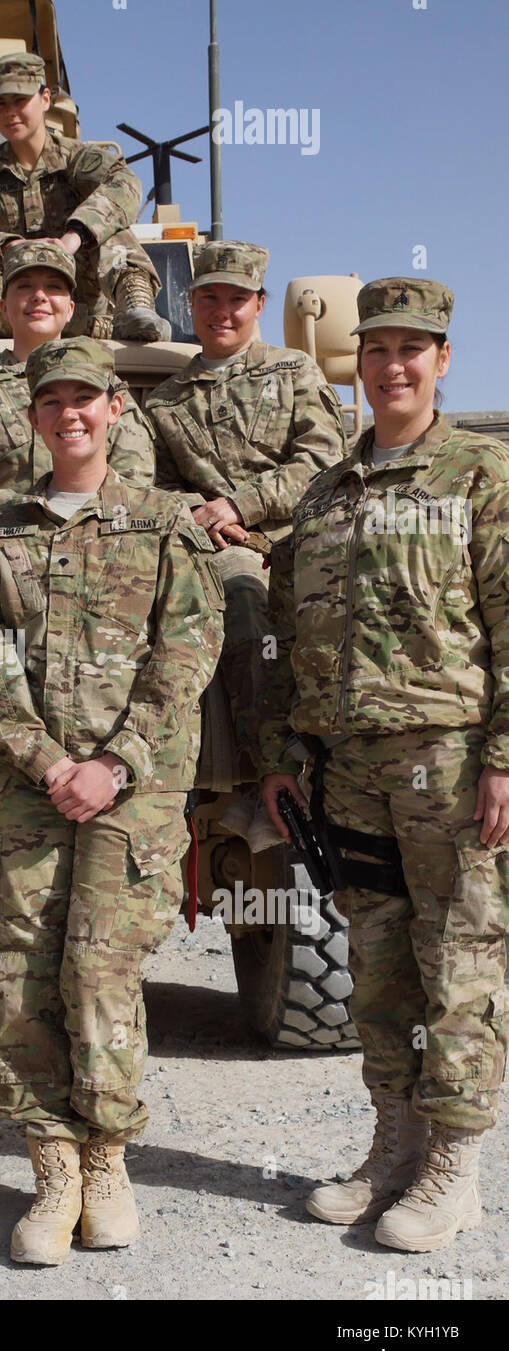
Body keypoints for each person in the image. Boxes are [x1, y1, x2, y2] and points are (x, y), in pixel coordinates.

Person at [0, 338, 223, 1264]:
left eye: (85, 399)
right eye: (50, 401)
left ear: (115, 409)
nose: (68, 414)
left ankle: (106, 1159)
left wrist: (114, 762)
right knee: (22, 975)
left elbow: (186, 654)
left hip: (130, 790)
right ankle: (49, 1167)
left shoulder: (163, 522)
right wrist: (42, 760)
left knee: (102, 973)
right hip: (30, 792)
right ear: (31, 416)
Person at [259, 278, 509, 1253]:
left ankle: (454, 1169)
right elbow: (290, 634)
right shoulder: (327, 492)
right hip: (348, 769)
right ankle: (393, 1145)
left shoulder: (481, 481)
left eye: (414, 348)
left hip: (450, 764)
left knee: (463, 966)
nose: (393, 365)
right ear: (357, 364)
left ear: (442, 360)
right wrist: (285, 753)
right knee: (379, 970)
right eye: (377, 349)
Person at [144, 240, 347, 849]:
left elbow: (323, 460)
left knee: (280, 614)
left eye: (237, 299)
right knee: (218, 604)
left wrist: (243, 506)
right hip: (206, 545)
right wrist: (205, 515)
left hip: (293, 537)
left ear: (259, 302)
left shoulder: (294, 372)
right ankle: (233, 777)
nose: (222, 312)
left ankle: (288, 778)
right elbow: (149, 486)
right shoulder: (163, 401)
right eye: (210, 298)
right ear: (192, 301)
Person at [0, 240, 157, 563]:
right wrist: (21, 510)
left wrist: (77, 514)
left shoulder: (105, 387)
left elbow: (135, 471)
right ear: (3, 306)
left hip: (98, 548)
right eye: (24, 286)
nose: (39, 296)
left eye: (53, 287)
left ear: (70, 309)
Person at [0, 52, 168, 343]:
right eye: (1, 104)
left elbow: (125, 184)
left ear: (45, 99)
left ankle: (135, 304)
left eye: (20, 101)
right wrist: (10, 245)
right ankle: (89, 328)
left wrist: (74, 236)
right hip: (21, 297)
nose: (11, 112)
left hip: (82, 289)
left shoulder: (77, 158)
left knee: (112, 228)